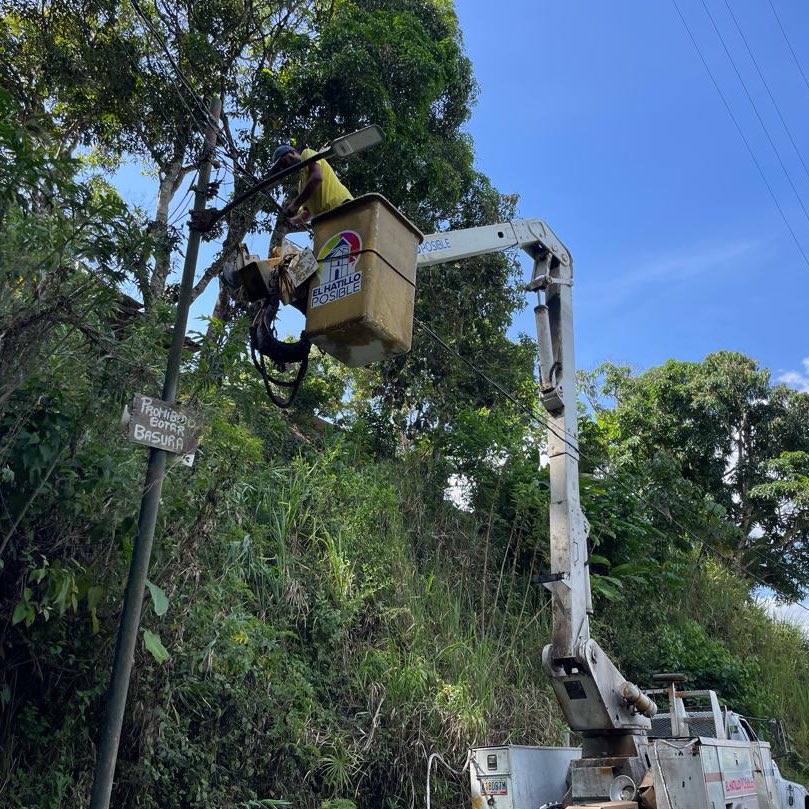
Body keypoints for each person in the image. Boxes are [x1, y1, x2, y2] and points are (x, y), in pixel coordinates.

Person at [271, 144, 353, 228]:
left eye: (284, 162)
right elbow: (307, 213)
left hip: (342, 206)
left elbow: (317, 178)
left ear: (292, 152)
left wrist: (294, 205)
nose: (285, 167)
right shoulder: (301, 185)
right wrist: (292, 220)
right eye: (282, 167)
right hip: (327, 221)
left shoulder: (306, 153)